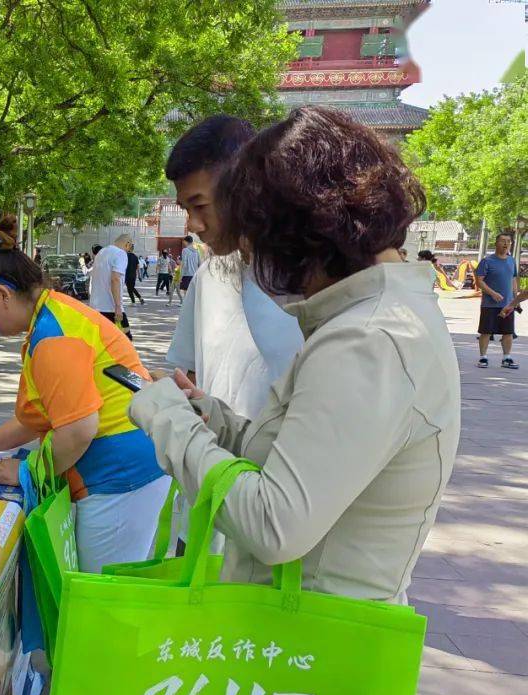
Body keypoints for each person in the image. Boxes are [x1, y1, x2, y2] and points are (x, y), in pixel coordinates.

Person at [130, 106, 460, 604]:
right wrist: (213, 419)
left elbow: (274, 525)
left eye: (256, 234)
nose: (255, 256)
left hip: (313, 642)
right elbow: (297, 456)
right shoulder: (380, 316)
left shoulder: (367, 340)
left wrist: (171, 424)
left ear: (301, 227)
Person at [0, 215, 170, 572]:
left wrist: (28, 470)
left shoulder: (53, 338)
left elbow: (78, 428)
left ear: (3, 295)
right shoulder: (54, 315)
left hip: (120, 479)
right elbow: (47, 415)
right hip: (127, 468)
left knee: (97, 601)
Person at [164, 114, 303, 421]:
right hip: (218, 461)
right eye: (185, 209)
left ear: (245, 186)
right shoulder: (208, 277)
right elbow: (188, 373)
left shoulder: (309, 281)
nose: (193, 225)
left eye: (200, 206)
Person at [475, 233, 518, 369]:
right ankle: (483, 357)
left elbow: (513, 280)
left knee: (508, 332)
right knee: (486, 331)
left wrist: (516, 299)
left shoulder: (512, 261)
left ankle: (507, 358)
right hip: (489, 304)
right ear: (496, 243)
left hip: (508, 304)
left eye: (508, 241)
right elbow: (479, 281)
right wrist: (492, 293)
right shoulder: (487, 261)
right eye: (503, 241)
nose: (506, 244)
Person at [88, 234, 132, 338]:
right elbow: (115, 279)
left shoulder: (101, 253)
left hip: (96, 307)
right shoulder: (120, 254)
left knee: (102, 344)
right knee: (125, 343)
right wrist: (117, 306)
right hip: (111, 308)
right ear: (127, 244)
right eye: (130, 247)